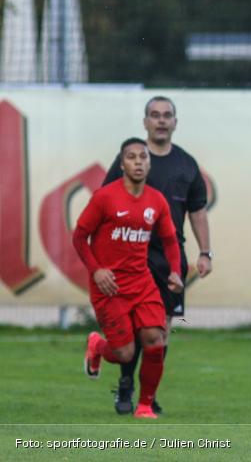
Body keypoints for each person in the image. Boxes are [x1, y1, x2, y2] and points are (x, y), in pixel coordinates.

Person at [103, 96, 211, 415]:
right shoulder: (130, 160)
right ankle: (126, 386)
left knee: (160, 332)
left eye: (167, 115)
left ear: (175, 122)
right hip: (131, 256)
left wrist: (205, 252)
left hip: (169, 259)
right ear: (145, 123)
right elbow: (105, 201)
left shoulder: (187, 165)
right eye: (154, 115)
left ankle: (148, 397)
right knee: (135, 330)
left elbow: (198, 212)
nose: (161, 120)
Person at [73, 138, 184, 419]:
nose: (138, 162)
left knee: (155, 338)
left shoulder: (156, 200)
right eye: (131, 157)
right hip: (108, 287)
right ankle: (97, 345)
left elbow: (171, 240)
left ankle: (145, 405)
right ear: (122, 164)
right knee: (124, 354)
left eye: (142, 157)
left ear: (149, 163)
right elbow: (79, 237)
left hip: (142, 283)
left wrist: (174, 271)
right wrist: (96, 270)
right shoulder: (104, 197)